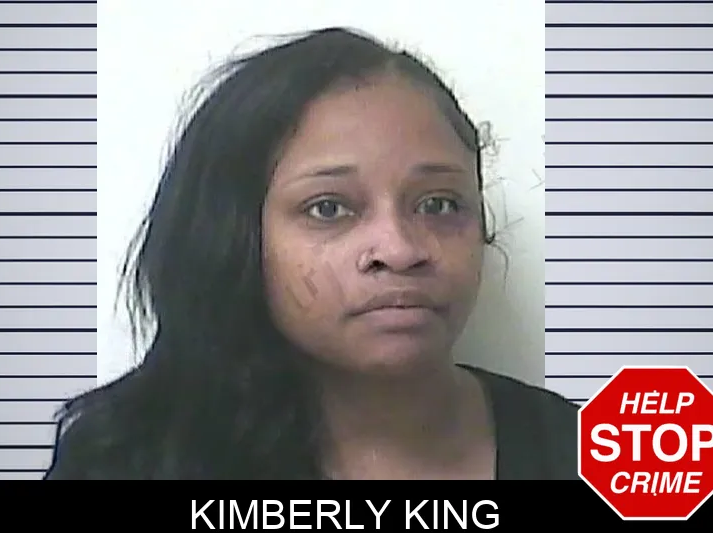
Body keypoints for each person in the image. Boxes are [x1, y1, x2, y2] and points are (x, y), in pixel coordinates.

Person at [45, 26, 578, 480]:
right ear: (236, 236)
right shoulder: (127, 460)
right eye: (329, 208)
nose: (399, 249)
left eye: (439, 204)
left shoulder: (585, 455)